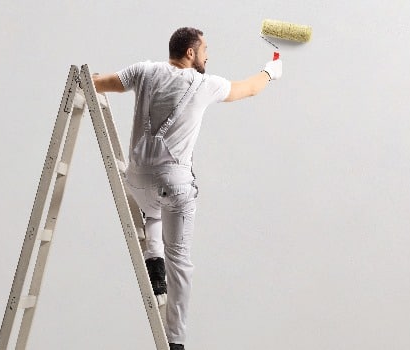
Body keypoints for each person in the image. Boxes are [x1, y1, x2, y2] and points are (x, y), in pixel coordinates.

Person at [92, 27, 282, 350]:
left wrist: (89, 77)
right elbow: (249, 89)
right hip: (175, 184)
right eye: (205, 49)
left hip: (137, 179)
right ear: (191, 53)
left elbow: (102, 84)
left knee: (151, 210)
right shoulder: (205, 84)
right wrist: (270, 71)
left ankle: (153, 258)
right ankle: (176, 341)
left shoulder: (144, 71)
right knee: (179, 262)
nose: (208, 55)